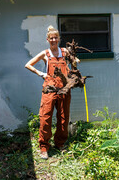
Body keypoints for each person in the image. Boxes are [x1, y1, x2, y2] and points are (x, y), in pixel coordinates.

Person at [25, 25, 71, 160]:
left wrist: (75, 63)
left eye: (56, 37)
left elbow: (74, 61)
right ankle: (44, 147)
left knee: (63, 118)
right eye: (51, 38)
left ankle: (60, 143)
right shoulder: (45, 53)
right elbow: (28, 64)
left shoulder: (65, 52)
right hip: (49, 89)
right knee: (45, 118)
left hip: (64, 89)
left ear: (59, 39)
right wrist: (41, 73)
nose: (54, 40)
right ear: (47, 39)